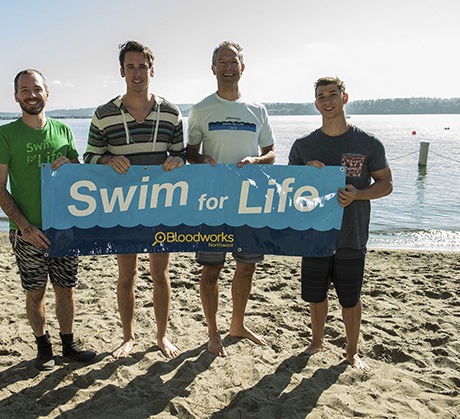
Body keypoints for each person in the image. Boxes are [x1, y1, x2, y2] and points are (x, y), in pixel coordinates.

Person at [0, 69, 96, 371]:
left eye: (36, 89)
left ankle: (69, 344)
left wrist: (73, 164)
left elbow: (79, 177)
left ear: (47, 93)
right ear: (15, 96)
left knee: (66, 289)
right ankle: (43, 347)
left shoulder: (63, 130)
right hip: (28, 231)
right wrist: (25, 227)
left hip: (64, 228)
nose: (31, 95)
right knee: (35, 292)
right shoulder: (4, 135)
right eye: (24, 90)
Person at [83, 41, 185, 359]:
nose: (137, 73)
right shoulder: (104, 114)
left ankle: (161, 336)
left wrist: (178, 161)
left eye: (142, 66)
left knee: (160, 274)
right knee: (127, 274)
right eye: (131, 67)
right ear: (122, 71)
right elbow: (88, 157)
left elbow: (181, 154)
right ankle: (127, 337)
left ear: (151, 70)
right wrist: (106, 162)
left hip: (160, 205)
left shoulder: (171, 112)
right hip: (123, 206)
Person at [288, 76, 393, 371]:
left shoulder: (368, 143)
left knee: (350, 298)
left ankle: (351, 352)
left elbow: (386, 184)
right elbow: (288, 193)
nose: (327, 100)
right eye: (321, 96)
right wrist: (304, 175)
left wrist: (359, 194)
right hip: (314, 236)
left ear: (345, 98)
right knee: (316, 295)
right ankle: (317, 341)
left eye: (333, 94)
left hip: (352, 235)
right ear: (315, 103)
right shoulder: (303, 146)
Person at [186, 41, 276, 357]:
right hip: (211, 205)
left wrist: (256, 162)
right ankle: (213, 333)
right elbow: (189, 154)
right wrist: (201, 161)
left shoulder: (258, 110)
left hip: (249, 203)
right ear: (213, 68)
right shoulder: (200, 109)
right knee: (212, 270)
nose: (227, 67)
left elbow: (271, 154)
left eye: (233, 61)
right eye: (221, 62)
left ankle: (237, 325)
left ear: (242, 67)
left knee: (246, 267)